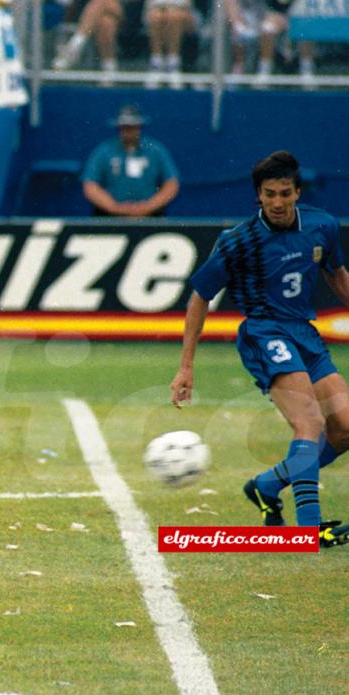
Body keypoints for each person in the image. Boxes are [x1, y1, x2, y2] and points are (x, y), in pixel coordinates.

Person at [170, 150, 348, 549]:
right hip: (265, 335)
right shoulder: (239, 242)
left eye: (285, 193)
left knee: (345, 426)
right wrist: (186, 367)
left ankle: (266, 487)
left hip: (305, 334)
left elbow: (337, 276)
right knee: (310, 423)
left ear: (298, 192)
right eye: (270, 194)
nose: (278, 202)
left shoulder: (321, 226)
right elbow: (200, 295)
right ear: (259, 196)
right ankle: (309, 531)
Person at [81, 103, 179, 218]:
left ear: (140, 126)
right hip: (110, 216)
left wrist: (148, 206)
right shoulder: (104, 151)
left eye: (132, 127)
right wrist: (114, 207)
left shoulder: (155, 150)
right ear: (118, 127)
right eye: (124, 127)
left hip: (150, 215)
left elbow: (172, 183)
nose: (128, 131)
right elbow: (90, 185)